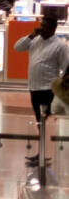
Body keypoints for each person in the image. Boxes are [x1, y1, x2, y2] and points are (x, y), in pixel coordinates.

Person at [14, 13, 69, 166]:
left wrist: (61, 88)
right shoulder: (35, 40)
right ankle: (41, 153)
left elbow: (66, 67)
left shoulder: (59, 46)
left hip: (48, 90)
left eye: (45, 26)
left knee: (44, 122)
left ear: (53, 28)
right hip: (34, 88)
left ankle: (44, 154)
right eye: (41, 25)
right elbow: (17, 47)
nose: (41, 28)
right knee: (39, 123)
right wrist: (31, 35)